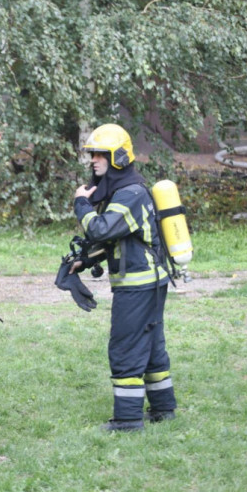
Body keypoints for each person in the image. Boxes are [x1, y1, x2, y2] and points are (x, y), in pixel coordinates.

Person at [72, 123, 178, 432]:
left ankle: (128, 420)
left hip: (137, 285)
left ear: (118, 157)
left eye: (99, 155)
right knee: (152, 346)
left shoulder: (130, 193)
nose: (93, 160)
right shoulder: (124, 190)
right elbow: (119, 238)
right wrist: (84, 260)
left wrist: (81, 204)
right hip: (149, 282)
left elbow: (101, 229)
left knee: (126, 347)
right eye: (92, 154)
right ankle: (163, 409)